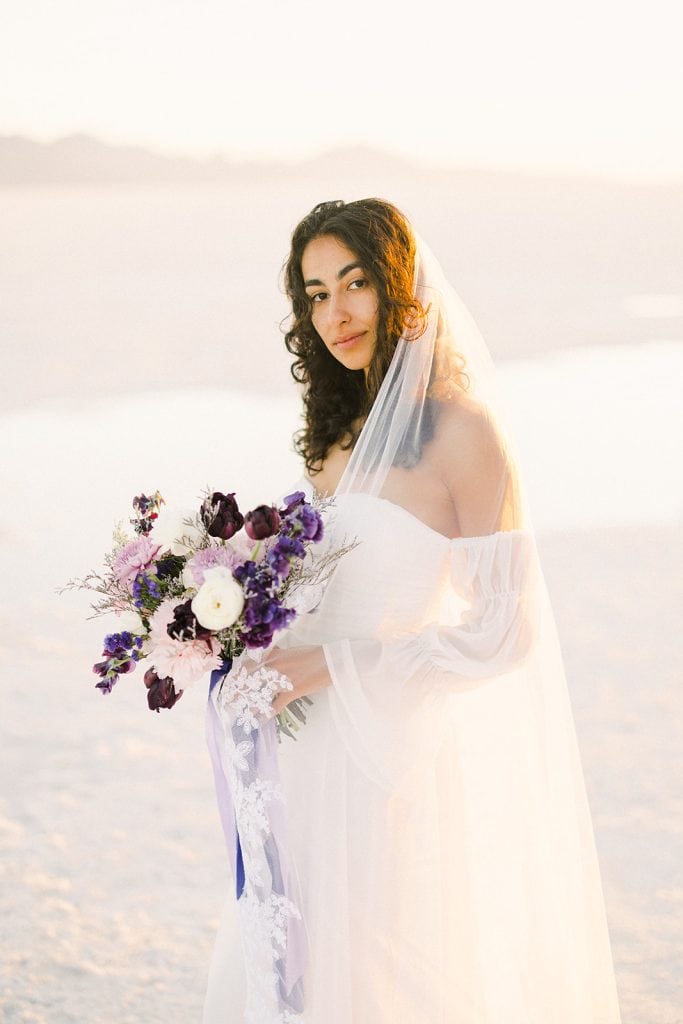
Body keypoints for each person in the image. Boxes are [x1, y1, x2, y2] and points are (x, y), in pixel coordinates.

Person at [203, 199, 622, 1023]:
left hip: (385, 749)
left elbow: (506, 631)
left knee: (382, 975)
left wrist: (330, 666)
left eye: (355, 284)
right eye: (315, 293)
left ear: (399, 288)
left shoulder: (464, 432)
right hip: (304, 751)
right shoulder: (333, 431)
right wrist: (230, 626)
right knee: (296, 967)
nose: (336, 313)